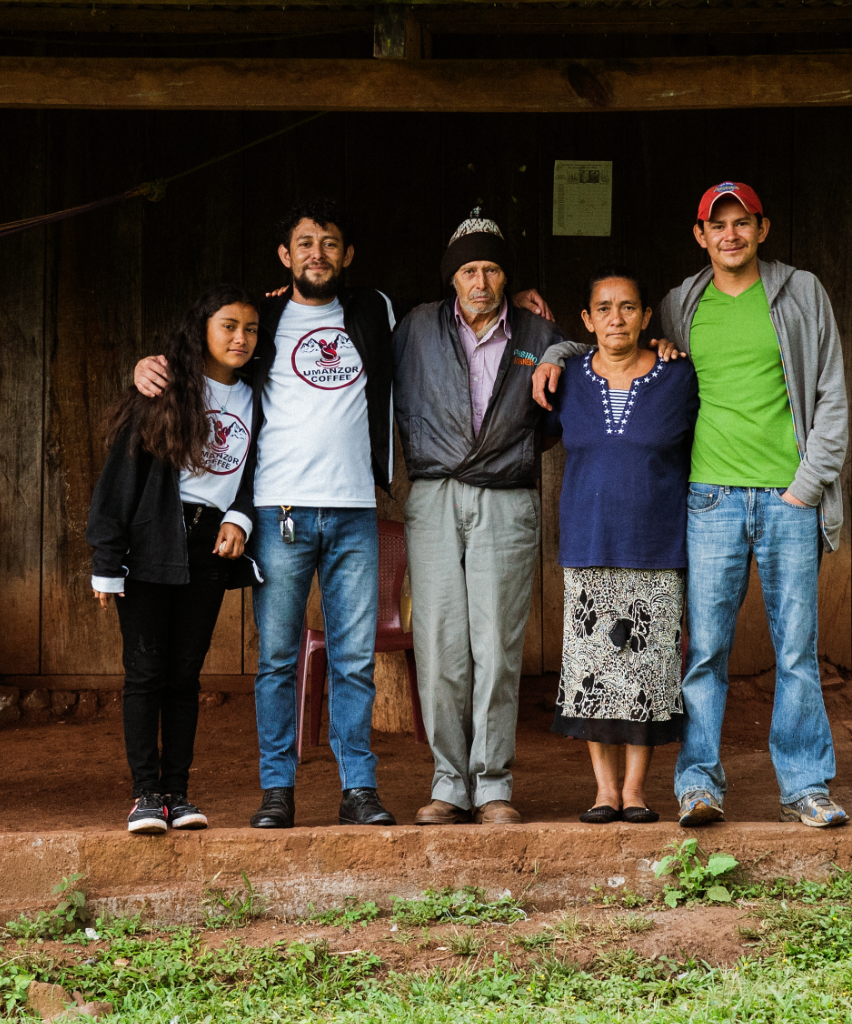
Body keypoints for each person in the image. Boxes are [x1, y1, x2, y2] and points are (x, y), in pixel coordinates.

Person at [133, 199, 553, 830]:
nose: (317, 255)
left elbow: (462, 296)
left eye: (329, 244)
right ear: (285, 255)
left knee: (354, 661)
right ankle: (278, 789)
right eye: (305, 244)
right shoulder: (264, 317)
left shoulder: (375, 311)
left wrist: (518, 295)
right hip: (280, 515)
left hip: (355, 509)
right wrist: (152, 363)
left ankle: (358, 786)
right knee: (277, 660)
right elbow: (213, 353)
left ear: (348, 255)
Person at [533, 182, 850, 829]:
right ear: (699, 235)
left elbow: (833, 392)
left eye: (742, 223)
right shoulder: (682, 302)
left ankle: (805, 785)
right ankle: (698, 785)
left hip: (788, 496)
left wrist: (808, 484)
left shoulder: (800, 293)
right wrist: (555, 350)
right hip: (707, 498)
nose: (730, 234)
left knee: (796, 650)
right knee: (704, 651)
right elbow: (613, 343)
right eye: (717, 224)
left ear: (762, 228)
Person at [393, 209, 574, 826]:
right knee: (441, 644)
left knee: (497, 645)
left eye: (491, 269)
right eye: (468, 270)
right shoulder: (414, 326)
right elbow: (357, 335)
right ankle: (448, 783)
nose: (479, 281)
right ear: (452, 278)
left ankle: (493, 783)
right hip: (436, 493)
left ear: (506, 277)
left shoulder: (536, 331)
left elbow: (557, 417)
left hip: (505, 495)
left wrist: (510, 450)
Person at [88, 284, 260, 834]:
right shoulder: (163, 389)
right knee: (145, 673)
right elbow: (121, 478)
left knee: (185, 677)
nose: (240, 338)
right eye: (228, 326)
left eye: (251, 328)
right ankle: (145, 796)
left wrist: (241, 516)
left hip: (210, 544)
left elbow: (263, 471)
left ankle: (178, 795)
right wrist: (107, 561)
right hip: (151, 541)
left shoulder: (260, 396)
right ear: (201, 331)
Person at [544, 267, 698, 824]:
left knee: (648, 674)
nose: (616, 318)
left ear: (646, 316)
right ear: (587, 320)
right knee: (593, 672)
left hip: (655, 545)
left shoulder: (677, 378)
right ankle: (603, 790)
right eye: (604, 308)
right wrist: (549, 356)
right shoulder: (568, 378)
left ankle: (635, 789)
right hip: (588, 541)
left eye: (628, 307)